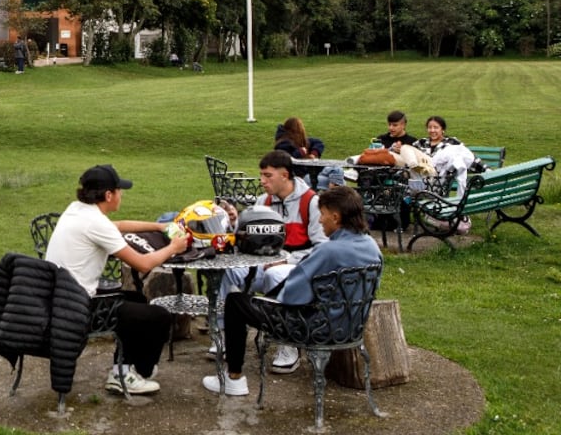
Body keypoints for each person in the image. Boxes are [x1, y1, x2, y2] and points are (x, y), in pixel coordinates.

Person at [203, 185, 382, 396]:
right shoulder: (371, 246)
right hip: (350, 327)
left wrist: (278, 295)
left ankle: (234, 378)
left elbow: (291, 297)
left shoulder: (327, 251)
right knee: (263, 293)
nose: (320, 220)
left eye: (323, 214)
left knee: (235, 301)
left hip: (313, 328)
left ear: (336, 217)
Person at [45, 165, 191, 395]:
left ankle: (122, 369)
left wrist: (159, 226)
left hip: (58, 299)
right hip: (78, 309)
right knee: (159, 316)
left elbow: (119, 226)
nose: (121, 194)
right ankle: (136, 371)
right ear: (108, 195)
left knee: (136, 299)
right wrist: (173, 247)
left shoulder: (78, 210)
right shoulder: (96, 224)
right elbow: (143, 264)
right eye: (119, 190)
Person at [215, 150, 327, 373]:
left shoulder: (310, 202)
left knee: (276, 274)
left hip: (298, 269)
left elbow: (322, 247)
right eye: (261, 175)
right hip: (263, 263)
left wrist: (285, 259)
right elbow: (247, 239)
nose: (262, 181)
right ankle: (225, 334)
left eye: (268, 176)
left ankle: (287, 343)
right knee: (229, 270)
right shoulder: (263, 201)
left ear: (284, 175)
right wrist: (235, 223)